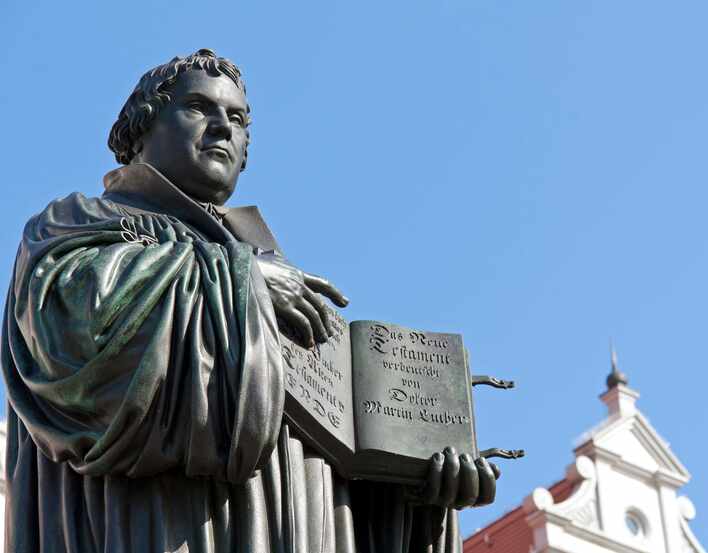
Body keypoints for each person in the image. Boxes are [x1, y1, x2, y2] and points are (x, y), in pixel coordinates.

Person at [2, 48, 498, 553]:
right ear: (141, 128)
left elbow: (332, 495)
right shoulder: (78, 223)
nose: (223, 127)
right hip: (155, 525)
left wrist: (414, 497)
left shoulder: (277, 275)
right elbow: (71, 335)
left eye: (237, 119)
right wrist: (244, 280)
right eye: (198, 107)